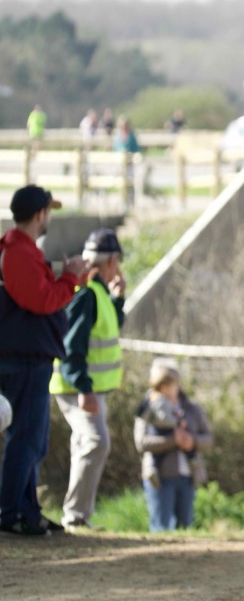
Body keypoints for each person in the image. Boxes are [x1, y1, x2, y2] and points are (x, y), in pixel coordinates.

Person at [0, 185, 85, 537]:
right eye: (48, 211)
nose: (49, 217)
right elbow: (40, 300)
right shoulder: (17, 251)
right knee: (26, 438)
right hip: (23, 358)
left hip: (29, 356)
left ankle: (27, 510)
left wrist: (66, 278)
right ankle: (12, 512)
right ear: (39, 214)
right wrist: (70, 278)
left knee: (33, 440)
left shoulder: (22, 251)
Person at [49, 228, 127, 531]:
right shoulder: (87, 294)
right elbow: (73, 346)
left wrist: (118, 299)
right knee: (96, 442)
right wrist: (84, 388)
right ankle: (75, 515)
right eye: (117, 261)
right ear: (111, 261)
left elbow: (110, 325)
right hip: (78, 387)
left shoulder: (99, 293)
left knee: (85, 443)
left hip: (88, 387)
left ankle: (77, 514)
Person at [133, 358, 212, 531]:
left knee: (185, 526)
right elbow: (140, 442)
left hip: (188, 476)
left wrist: (192, 441)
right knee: (161, 527)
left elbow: (208, 439)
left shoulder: (191, 408)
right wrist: (172, 441)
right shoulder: (149, 406)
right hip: (160, 476)